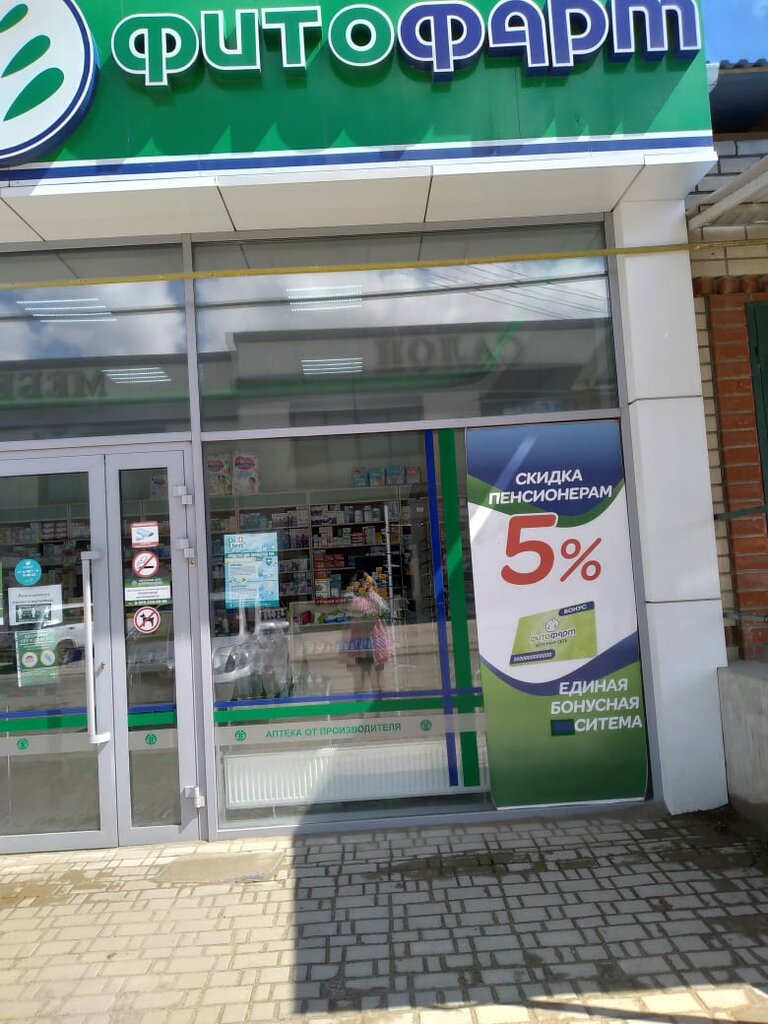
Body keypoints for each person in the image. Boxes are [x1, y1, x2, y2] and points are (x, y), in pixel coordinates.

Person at [341, 570, 393, 689]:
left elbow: (384, 612)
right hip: (364, 639)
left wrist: (370, 593)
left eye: (365, 580)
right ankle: (367, 694)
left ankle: (377, 694)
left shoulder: (373, 597)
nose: (364, 583)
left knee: (375, 673)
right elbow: (350, 616)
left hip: (374, 638)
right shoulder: (356, 599)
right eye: (360, 581)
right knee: (364, 673)